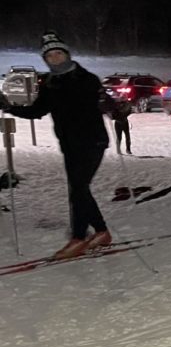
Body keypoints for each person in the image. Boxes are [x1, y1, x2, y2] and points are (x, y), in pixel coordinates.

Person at [0, 31, 112, 259]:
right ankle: (101, 232)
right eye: (49, 56)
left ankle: (79, 238)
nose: (55, 59)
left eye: (58, 54)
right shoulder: (50, 84)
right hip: (69, 144)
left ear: (67, 54)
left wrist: (112, 106)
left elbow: (100, 100)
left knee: (79, 188)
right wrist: (9, 107)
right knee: (77, 190)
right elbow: (37, 110)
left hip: (92, 141)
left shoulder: (86, 78)